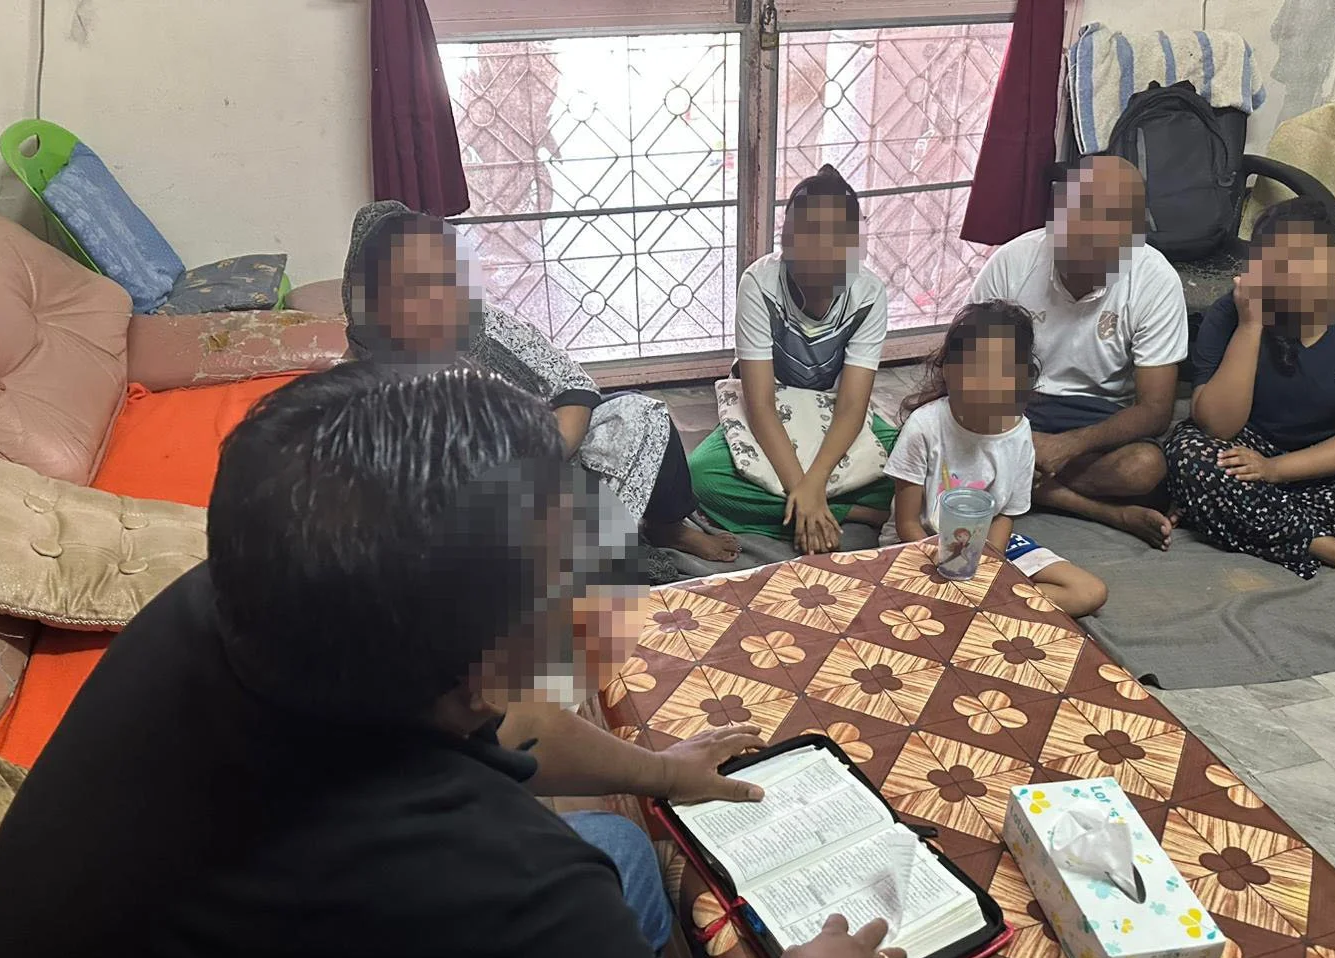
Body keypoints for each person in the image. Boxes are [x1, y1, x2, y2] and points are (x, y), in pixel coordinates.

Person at [0, 363, 894, 958]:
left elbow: (496, 709)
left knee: (618, 849)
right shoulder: (497, 890)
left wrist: (661, 772)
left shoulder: (240, 600)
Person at [343, 200, 739, 563]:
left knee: (639, 415)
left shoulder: (478, 323)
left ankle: (668, 528)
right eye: (409, 285)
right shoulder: (365, 386)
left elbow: (572, 384)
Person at [1165, 200, 1335, 592]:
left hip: (1329, 458)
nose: (1296, 275)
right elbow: (1218, 426)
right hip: (1246, 448)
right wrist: (1251, 325)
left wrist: (1275, 471)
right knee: (1189, 456)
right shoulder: (1229, 314)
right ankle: (1332, 549)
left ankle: (1234, 514)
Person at [969, 155, 1187, 549]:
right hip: (1017, 404)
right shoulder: (1014, 261)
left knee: (1144, 468)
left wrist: (1067, 446)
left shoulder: (1155, 279)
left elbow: (1156, 410)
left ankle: (1010, 475)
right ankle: (1105, 512)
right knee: (935, 430)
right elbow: (969, 367)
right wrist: (1018, 436)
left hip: (1099, 414)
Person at [689, 165, 897, 553]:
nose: (821, 251)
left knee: (913, 460)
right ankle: (845, 511)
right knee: (702, 477)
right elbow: (760, 405)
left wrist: (813, 483)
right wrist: (802, 487)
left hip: (829, 410)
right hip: (772, 411)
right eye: (807, 236)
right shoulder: (759, 284)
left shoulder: (869, 294)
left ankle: (804, 508)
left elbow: (852, 405)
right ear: (786, 241)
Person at [888, 301, 1108, 618]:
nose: (986, 383)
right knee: (903, 605)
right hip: (921, 545)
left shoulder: (1019, 434)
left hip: (987, 544)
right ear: (949, 370)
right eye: (975, 369)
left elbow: (1005, 515)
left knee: (1089, 592)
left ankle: (979, 609)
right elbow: (907, 523)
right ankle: (981, 610)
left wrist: (987, 566)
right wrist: (947, 564)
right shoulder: (924, 427)